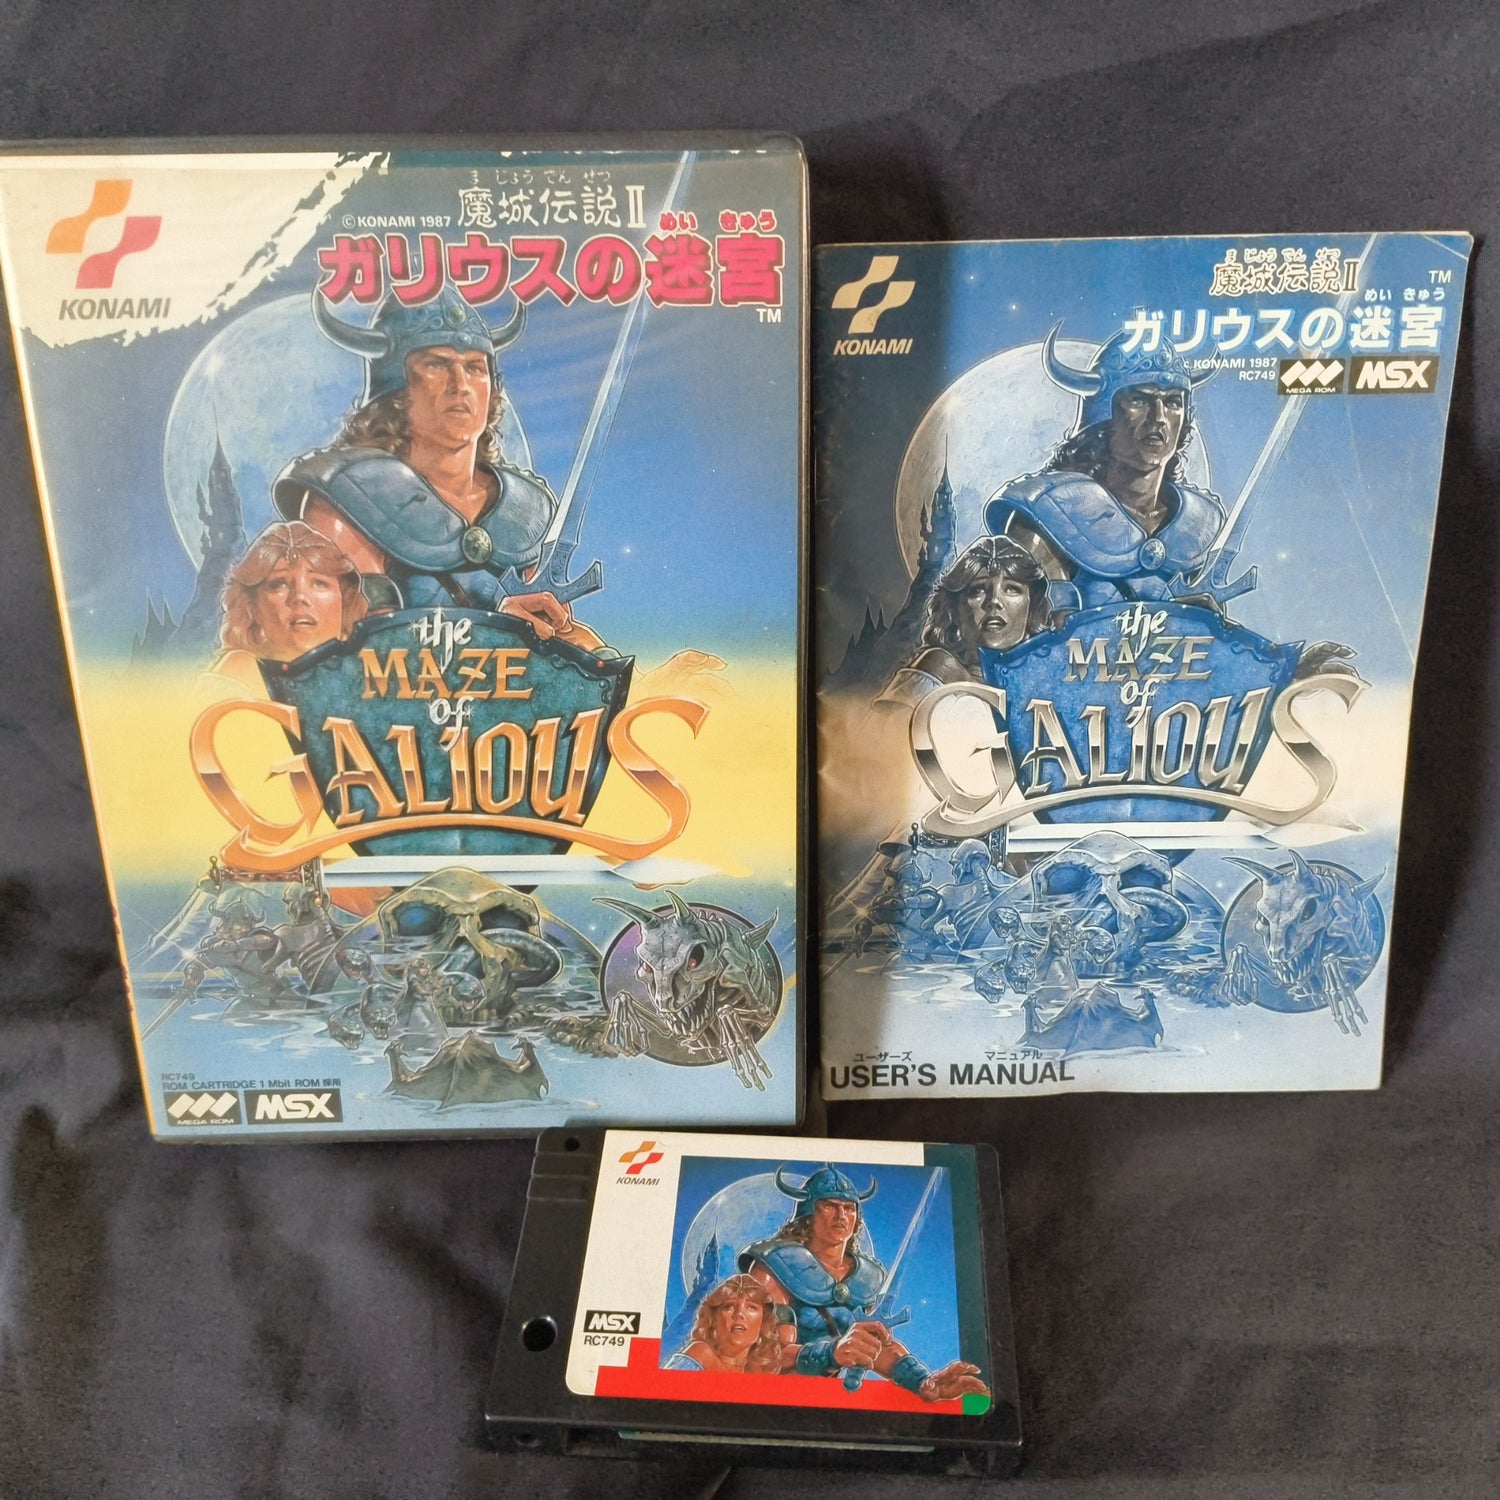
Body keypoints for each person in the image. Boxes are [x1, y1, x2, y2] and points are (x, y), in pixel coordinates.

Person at [274, 284, 599, 648]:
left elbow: (551, 635)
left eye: (475, 368)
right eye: (436, 365)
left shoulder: (526, 509)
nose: (461, 385)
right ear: (395, 386)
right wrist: (492, 627)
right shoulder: (349, 497)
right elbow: (357, 650)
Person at [985, 325, 1223, 615]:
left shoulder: (1195, 524)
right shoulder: (1051, 514)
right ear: (1103, 414)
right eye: (1139, 400)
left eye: (1173, 402)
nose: (1159, 418)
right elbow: (1019, 626)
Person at [738, 1164, 989, 1402]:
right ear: (808, 1213)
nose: (841, 1216)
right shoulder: (775, 1267)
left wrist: (924, 1382)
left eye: (849, 1208)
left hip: (829, 1401)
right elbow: (763, 1356)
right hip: (772, 1400)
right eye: (829, 1205)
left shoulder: (867, 1276)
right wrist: (831, 1353)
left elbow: (875, 1345)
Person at [880, 534, 1049, 706]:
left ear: (1032, 606)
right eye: (978, 590)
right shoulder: (935, 673)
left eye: (1012, 589)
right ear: (953, 609)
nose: (994, 601)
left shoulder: (1045, 685)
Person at [220, 519, 368, 662]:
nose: (300, 596)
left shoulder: (370, 667)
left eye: (319, 583)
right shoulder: (235, 673)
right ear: (253, 609)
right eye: (279, 584)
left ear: (345, 601)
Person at [663, 1274, 784, 1374]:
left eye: (751, 1307)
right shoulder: (701, 1356)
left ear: (763, 1321)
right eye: (729, 1306)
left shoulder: (759, 1373)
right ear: (713, 1318)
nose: (739, 1314)